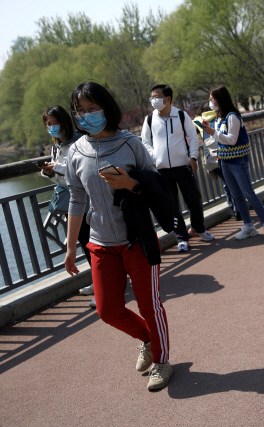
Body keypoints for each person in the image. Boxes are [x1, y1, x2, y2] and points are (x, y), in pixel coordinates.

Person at [64, 81, 173, 391]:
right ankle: (149, 340)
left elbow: (156, 187)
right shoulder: (76, 152)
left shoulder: (131, 144)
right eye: (80, 112)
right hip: (100, 243)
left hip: (136, 239)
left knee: (149, 304)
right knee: (108, 310)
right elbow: (75, 199)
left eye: (92, 109)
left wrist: (132, 185)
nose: (86, 116)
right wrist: (71, 247)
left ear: (106, 108)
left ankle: (163, 361)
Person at [141, 84, 214, 252]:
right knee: (172, 206)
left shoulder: (181, 116)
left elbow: (193, 137)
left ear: (168, 99)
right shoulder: (149, 119)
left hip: (183, 167)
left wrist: (193, 158)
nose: (154, 100)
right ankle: (181, 237)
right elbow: (145, 143)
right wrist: (154, 158)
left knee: (194, 201)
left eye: (157, 97)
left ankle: (198, 228)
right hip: (161, 170)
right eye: (152, 97)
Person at [201, 85, 264, 240]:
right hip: (225, 162)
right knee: (237, 196)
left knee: (249, 194)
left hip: (238, 162)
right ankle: (249, 225)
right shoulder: (220, 117)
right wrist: (210, 130)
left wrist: (212, 132)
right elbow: (221, 138)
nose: (210, 102)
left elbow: (231, 140)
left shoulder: (232, 117)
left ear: (220, 100)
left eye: (212, 99)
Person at [39, 106, 95, 308]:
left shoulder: (79, 141)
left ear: (64, 121)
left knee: (93, 243)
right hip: (73, 202)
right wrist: (49, 171)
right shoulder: (57, 146)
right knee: (85, 242)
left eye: (54, 122)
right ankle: (101, 282)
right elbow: (61, 178)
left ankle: (106, 284)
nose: (51, 127)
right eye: (48, 124)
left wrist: (59, 167)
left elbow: (84, 169)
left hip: (87, 200)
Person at [194, 102, 240, 221]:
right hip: (225, 155)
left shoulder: (199, 120)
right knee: (231, 183)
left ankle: (233, 207)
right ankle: (238, 209)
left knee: (226, 184)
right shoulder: (220, 116)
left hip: (211, 159)